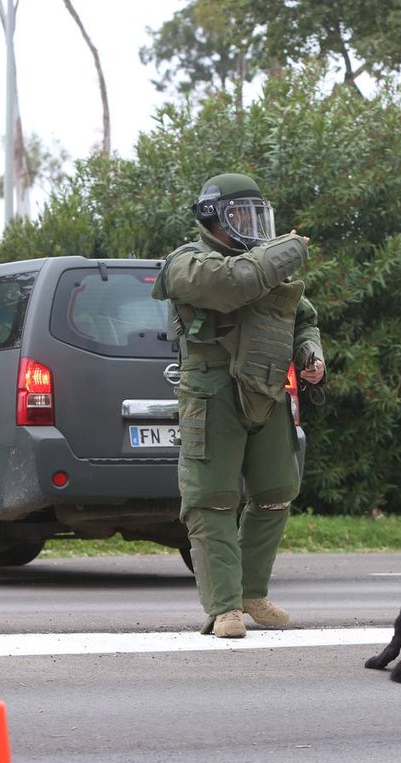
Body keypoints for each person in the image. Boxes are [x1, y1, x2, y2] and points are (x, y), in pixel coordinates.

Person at [152, 172, 326, 638]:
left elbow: (302, 319)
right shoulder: (187, 263)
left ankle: (251, 592)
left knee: (277, 491)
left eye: (256, 215)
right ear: (213, 218)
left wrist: (311, 354)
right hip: (212, 393)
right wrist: (286, 251)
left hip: (267, 389)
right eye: (241, 215)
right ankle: (224, 607)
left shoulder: (268, 264)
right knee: (211, 499)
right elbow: (233, 284)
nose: (251, 225)